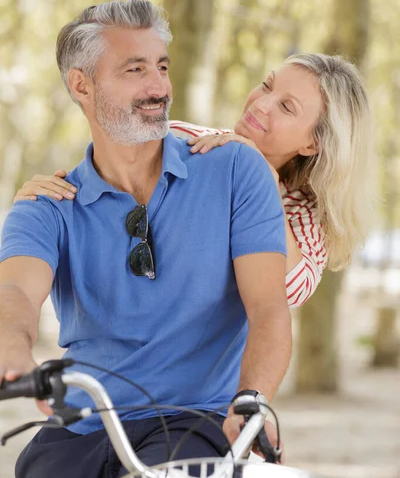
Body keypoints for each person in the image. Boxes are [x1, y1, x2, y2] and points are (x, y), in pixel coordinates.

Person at [0, 0, 291, 478]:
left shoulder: (234, 170)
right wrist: (14, 355)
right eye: (135, 69)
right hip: (81, 426)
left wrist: (251, 396)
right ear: (81, 84)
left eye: (162, 65)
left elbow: (268, 306)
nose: (159, 84)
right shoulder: (47, 204)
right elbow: (15, 296)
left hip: (197, 421)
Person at [15, 53, 375, 308]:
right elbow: (97, 189)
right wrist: (42, 203)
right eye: (266, 86)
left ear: (313, 143)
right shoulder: (183, 140)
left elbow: (289, 290)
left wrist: (261, 178)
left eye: (286, 107)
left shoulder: (303, 213)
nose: (261, 104)